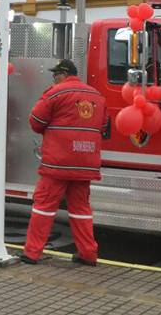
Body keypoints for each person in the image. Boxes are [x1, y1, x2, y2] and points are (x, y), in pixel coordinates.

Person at [20, 58, 106, 266]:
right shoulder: (97, 96)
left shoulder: (55, 93)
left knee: (44, 206)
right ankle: (88, 254)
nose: (53, 78)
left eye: (55, 75)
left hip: (58, 163)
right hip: (86, 163)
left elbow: (35, 121)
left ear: (63, 74)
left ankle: (32, 253)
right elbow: (103, 127)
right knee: (81, 209)